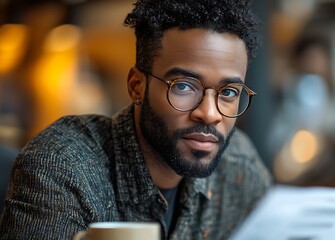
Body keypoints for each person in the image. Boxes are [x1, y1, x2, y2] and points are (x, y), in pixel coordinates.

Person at [0, 0, 272, 239]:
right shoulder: (63, 167)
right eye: (184, 86)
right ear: (136, 86)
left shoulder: (239, 167)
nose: (210, 114)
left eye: (228, 92)